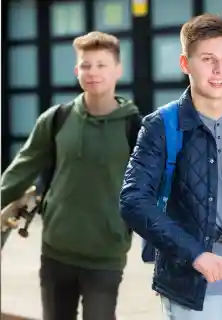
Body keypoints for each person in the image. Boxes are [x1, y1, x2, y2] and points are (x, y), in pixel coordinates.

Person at [119, 14, 222, 320]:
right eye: (208, 59)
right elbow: (133, 200)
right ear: (186, 64)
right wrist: (194, 254)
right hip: (191, 290)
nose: (219, 70)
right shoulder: (161, 125)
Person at [1, 31, 141, 320]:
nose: (93, 72)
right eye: (86, 65)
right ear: (77, 70)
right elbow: (19, 172)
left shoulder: (136, 128)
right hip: (56, 250)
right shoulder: (56, 119)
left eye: (101, 64)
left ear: (118, 69)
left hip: (106, 255)